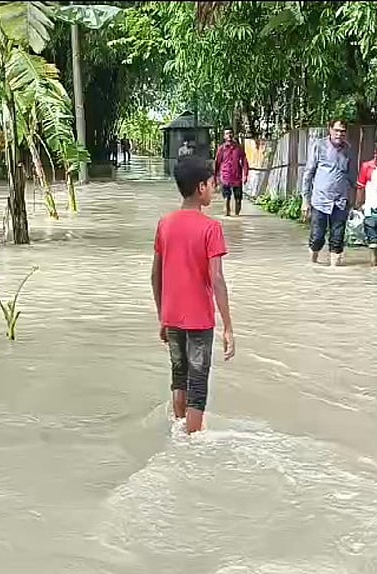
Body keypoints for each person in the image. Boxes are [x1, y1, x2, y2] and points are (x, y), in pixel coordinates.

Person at [151, 155, 235, 434]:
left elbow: (155, 275)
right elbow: (218, 280)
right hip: (199, 320)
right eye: (212, 184)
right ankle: (192, 440)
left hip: (172, 317)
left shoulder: (165, 224)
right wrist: (228, 328)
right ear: (201, 187)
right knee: (198, 384)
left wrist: (163, 316)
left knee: (179, 377)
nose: (215, 188)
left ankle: (178, 428)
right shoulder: (211, 228)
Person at [302, 119, 357, 267]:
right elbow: (308, 174)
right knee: (317, 237)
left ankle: (334, 272)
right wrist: (305, 200)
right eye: (337, 130)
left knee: (337, 238)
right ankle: (313, 265)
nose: (339, 134)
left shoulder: (349, 150)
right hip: (320, 200)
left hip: (340, 201)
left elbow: (353, 178)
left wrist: (356, 200)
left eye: (342, 131)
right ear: (330, 129)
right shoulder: (319, 146)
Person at [214, 128, 250, 217]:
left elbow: (245, 161)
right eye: (227, 133)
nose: (229, 135)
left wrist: (245, 175)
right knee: (227, 197)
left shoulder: (238, 148)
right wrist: (215, 178)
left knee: (238, 199)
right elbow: (217, 163)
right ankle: (227, 214)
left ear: (233, 134)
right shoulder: (221, 149)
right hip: (225, 177)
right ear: (224, 136)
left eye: (230, 133)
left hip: (237, 177)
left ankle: (237, 216)